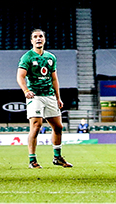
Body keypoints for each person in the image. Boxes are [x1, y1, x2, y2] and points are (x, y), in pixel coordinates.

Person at [17, 29, 71, 169]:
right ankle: (32, 160)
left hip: (50, 95)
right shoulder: (27, 57)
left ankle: (57, 157)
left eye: (41, 36)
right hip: (35, 96)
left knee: (58, 127)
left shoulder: (51, 57)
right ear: (31, 41)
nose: (38, 39)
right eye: (35, 37)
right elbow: (20, 76)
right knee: (36, 126)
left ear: (44, 39)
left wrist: (58, 98)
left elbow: (54, 79)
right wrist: (26, 91)